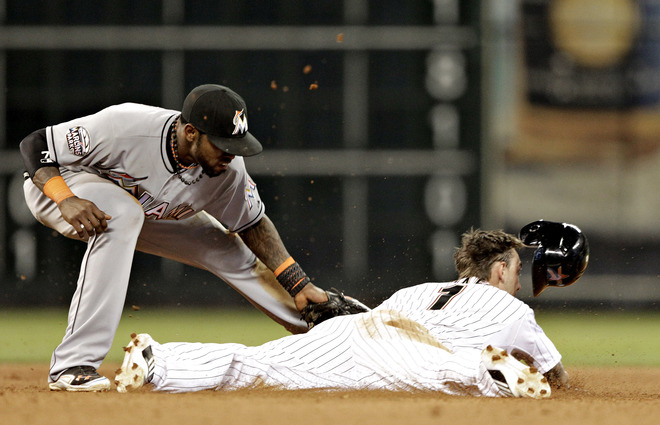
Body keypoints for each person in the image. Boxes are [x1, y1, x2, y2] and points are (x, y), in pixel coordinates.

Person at [20, 84, 368, 392]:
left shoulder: (226, 171)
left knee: (227, 248)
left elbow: (252, 225)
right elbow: (35, 144)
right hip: (63, 187)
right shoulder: (124, 126)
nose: (231, 153)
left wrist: (298, 283)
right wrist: (65, 198)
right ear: (190, 132)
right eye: (222, 144)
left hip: (146, 209)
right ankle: (73, 365)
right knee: (123, 215)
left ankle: (336, 336)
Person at [114, 222, 588, 398]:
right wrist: (553, 381)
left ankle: (158, 359)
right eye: (517, 269)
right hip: (428, 356)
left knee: (259, 363)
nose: (519, 278)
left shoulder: (421, 288)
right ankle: (492, 372)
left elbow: (370, 322)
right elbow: (557, 374)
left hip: (360, 332)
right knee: (458, 372)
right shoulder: (512, 309)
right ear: (501, 269)